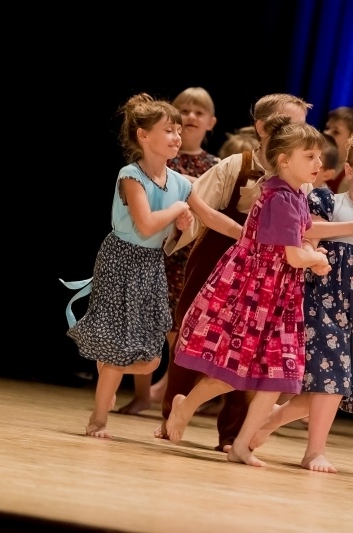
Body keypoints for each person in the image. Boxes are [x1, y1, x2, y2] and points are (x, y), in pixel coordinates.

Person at [62, 93, 243, 439]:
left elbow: (211, 218)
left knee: (151, 359)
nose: (177, 136)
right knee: (118, 350)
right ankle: (99, 418)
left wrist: (248, 235)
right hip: (121, 260)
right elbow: (145, 225)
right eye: (168, 130)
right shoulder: (130, 176)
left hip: (149, 265)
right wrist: (176, 211)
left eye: (178, 130)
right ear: (144, 136)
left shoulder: (178, 182)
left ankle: (108, 374)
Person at [164, 116, 333, 467]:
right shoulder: (281, 198)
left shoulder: (295, 194)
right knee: (233, 371)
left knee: (273, 377)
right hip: (258, 294)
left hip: (279, 296)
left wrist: (319, 247)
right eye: (310, 156)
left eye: (319, 157)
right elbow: (292, 253)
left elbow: (301, 239)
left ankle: (241, 444)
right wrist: (315, 257)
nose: (319, 164)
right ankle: (187, 406)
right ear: (285, 160)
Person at [250, 127, 353, 473]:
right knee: (331, 381)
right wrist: (350, 230)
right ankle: (314, 451)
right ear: (350, 169)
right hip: (322, 302)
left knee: (331, 387)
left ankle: (269, 421)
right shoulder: (329, 202)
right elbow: (305, 230)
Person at [118, 87, 222, 415]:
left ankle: (171, 396)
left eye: (198, 112)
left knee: (180, 330)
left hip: (192, 256)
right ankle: (142, 393)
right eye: (183, 111)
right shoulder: (155, 160)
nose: (190, 118)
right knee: (147, 325)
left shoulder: (215, 165)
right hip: (157, 252)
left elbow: (212, 205)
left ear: (211, 122)